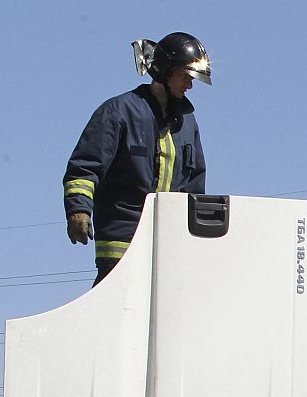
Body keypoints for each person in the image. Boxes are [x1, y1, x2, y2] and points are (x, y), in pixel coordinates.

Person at [63, 33, 211, 283]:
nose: (190, 85)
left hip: (167, 244)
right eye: (185, 76)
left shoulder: (187, 123)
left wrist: (195, 237)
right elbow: (85, 167)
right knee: (115, 316)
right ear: (165, 71)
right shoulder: (118, 111)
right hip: (121, 241)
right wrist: (78, 209)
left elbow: (194, 185)